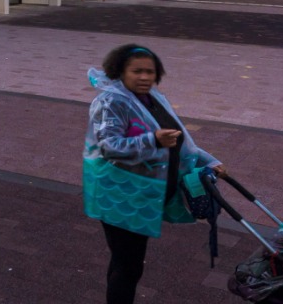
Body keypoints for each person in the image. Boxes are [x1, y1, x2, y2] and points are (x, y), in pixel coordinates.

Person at [85, 44, 225, 304]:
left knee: (125, 261)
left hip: (144, 195)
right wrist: (153, 141)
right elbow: (109, 147)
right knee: (129, 266)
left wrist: (209, 160)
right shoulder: (111, 102)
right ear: (120, 71)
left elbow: (179, 139)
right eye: (136, 71)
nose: (144, 77)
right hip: (121, 197)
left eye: (149, 71)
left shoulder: (151, 99)